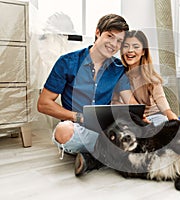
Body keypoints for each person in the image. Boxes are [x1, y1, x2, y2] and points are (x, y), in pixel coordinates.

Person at [37, 14, 136, 176]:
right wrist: (78, 117)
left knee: (158, 121)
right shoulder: (67, 62)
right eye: (109, 36)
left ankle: (95, 157)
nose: (113, 44)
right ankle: (112, 152)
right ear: (97, 32)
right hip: (77, 129)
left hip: (106, 129)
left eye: (119, 41)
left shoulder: (119, 69)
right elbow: (43, 103)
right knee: (63, 131)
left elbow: (130, 102)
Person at [113, 30, 178, 125]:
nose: (130, 50)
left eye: (136, 47)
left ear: (143, 51)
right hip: (131, 118)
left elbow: (164, 106)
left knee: (161, 122)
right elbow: (114, 101)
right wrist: (126, 109)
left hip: (154, 117)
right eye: (126, 46)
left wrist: (176, 121)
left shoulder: (151, 77)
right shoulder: (118, 74)